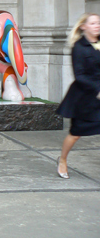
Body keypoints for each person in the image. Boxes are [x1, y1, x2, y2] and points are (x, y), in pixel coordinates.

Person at [56, 13, 100, 178]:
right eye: (93, 23)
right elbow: (80, 76)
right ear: (84, 26)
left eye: (98, 23)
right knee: (76, 133)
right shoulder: (79, 47)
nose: (97, 25)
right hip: (85, 98)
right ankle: (62, 159)